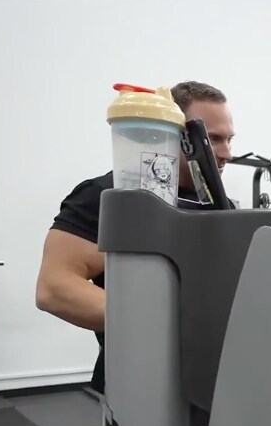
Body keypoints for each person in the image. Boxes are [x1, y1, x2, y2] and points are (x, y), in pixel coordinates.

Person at [34, 80, 235, 394]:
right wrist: (166, 323)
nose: (226, 153)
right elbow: (54, 288)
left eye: (229, 140)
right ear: (177, 135)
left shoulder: (222, 207)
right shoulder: (112, 195)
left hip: (209, 382)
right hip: (135, 384)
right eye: (214, 139)